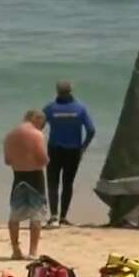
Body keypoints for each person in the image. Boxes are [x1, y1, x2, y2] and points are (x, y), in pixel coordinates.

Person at [43, 81, 96, 228]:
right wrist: (83, 147)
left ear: (57, 92)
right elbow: (91, 130)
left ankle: (53, 216)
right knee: (68, 183)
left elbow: (38, 127)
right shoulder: (80, 108)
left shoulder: (50, 108)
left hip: (54, 150)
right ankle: (63, 217)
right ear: (71, 91)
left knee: (53, 182)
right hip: (73, 151)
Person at [4, 110, 49, 259]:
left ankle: (15, 250)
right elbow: (43, 159)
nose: (42, 126)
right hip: (35, 176)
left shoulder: (10, 135)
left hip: (18, 176)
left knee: (14, 215)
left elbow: (8, 160)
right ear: (35, 118)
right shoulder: (36, 135)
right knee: (36, 215)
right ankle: (32, 252)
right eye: (42, 122)